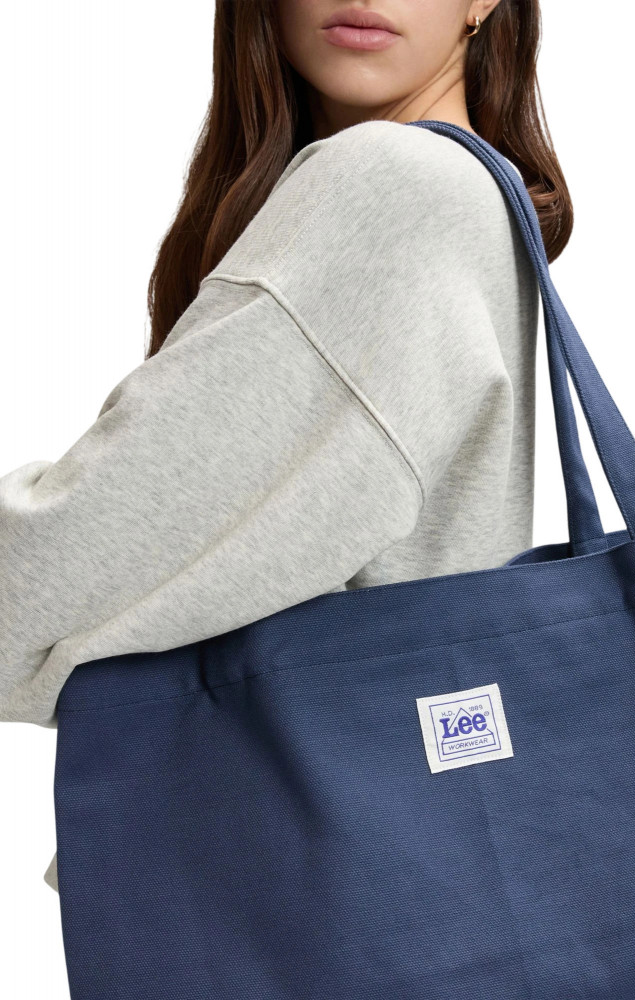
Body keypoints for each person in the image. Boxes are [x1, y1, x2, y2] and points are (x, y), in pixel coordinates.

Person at [0, 0, 573, 893]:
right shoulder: (472, 192)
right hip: (368, 879)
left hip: (290, 888)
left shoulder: (391, 185)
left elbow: (43, 585)